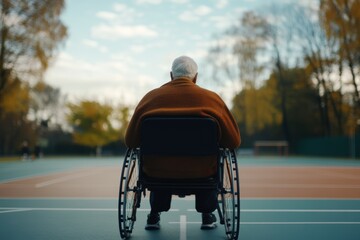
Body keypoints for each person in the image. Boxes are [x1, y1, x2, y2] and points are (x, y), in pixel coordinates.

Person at [125, 56, 241, 230]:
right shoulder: (212, 100)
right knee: (208, 164)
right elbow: (233, 141)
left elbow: (130, 141)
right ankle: (207, 214)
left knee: (161, 164)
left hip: (158, 171)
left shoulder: (150, 99)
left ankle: (155, 212)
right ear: (196, 77)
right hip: (203, 171)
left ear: (171, 75)